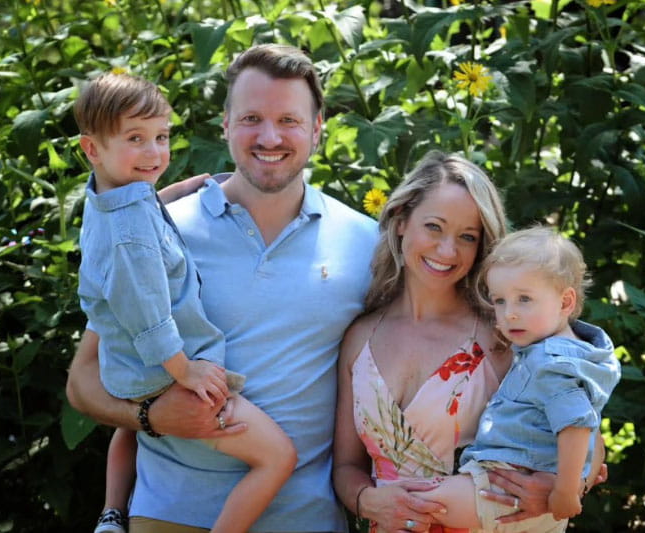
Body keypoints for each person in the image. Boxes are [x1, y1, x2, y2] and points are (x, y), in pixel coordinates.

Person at [66, 44, 380, 532]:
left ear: (318, 129)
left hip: (306, 520)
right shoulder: (161, 229)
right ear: (226, 125)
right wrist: (151, 416)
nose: (270, 136)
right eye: (252, 117)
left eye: (290, 120)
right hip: (169, 516)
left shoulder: (367, 242)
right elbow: (83, 380)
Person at [73, 72, 297, 533]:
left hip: (131, 371)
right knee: (278, 457)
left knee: (128, 435)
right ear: (92, 149)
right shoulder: (131, 237)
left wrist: (172, 194)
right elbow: (148, 317)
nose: (155, 153)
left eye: (161, 137)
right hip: (167, 377)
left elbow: (137, 215)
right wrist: (186, 371)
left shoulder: (112, 200)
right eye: (136, 139)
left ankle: (112, 514)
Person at [332, 152, 591, 533]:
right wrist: (366, 500)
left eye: (467, 237)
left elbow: (585, 429)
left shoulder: (502, 336)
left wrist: (561, 488)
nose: (447, 250)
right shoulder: (360, 339)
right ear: (402, 220)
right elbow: (346, 467)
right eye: (434, 227)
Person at [415, 226, 621, 532]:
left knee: (420, 501)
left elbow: (576, 424)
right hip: (536, 494)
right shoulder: (578, 354)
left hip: (507, 483)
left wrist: (564, 492)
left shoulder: (550, 362)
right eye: (499, 301)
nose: (509, 313)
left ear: (565, 303)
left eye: (524, 299)